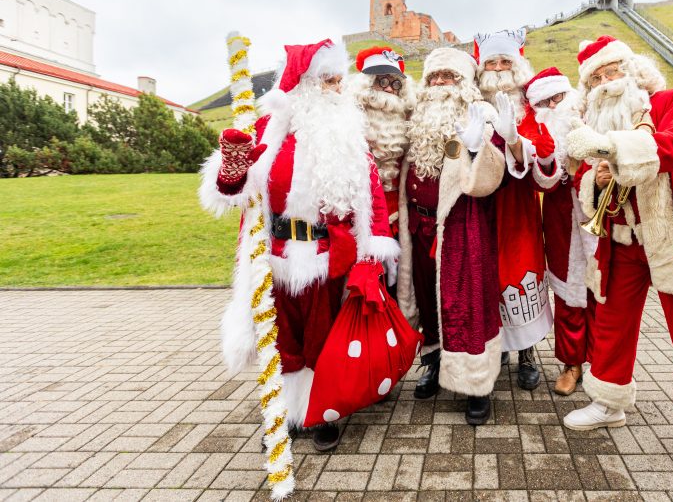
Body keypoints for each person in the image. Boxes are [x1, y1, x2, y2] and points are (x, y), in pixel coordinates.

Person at [199, 40, 399, 451]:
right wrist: (233, 168)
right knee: (283, 339)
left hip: (331, 257)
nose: (336, 89)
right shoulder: (266, 132)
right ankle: (290, 410)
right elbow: (231, 194)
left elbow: (372, 197)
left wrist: (373, 254)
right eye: (327, 80)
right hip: (276, 254)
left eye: (338, 80)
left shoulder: (348, 136)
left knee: (323, 337)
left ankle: (321, 409)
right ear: (304, 84)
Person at [564, 35, 673, 486]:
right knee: (612, 324)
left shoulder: (672, 101)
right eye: (596, 79)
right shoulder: (599, 123)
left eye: (612, 71)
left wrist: (610, 153)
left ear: (634, 69)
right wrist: (596, 176)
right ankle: (608, 402)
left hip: (671, 236)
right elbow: (588, 180)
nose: (606, 83)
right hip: (621, 238)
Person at [395, 47, 506, 424]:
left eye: (449, 76)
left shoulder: (480, 116)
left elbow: (495, 175)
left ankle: (477, 384)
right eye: (434, 77)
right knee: (427, 301)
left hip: (463, 225)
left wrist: (477, 146)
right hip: (421, 227)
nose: (440, 83)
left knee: (467, 303)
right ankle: (432, 362)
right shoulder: (417, 119)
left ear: (463, 83)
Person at [473, 28, 554, 391]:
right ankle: (499, 347)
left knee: (520, 272)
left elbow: (542, 154)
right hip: (480, 206)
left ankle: (527, 352)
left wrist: (516, 142)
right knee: (487, 275)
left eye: (506, 60)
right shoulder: (472, 101)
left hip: (518, 207)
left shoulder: (529, 107)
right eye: (492, 61)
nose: (500, 67)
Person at [520, 67, 594, 396]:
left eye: (558, 97)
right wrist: (548, 159)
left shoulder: (592, 114)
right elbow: (541, 183)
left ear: (569, 94)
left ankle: (607, 364)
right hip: (561, 214)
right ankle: (572, 361)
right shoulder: (539, 134)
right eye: (545, 103)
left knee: (608, 290)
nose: (554, 106)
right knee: (568, 291)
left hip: (601, 210)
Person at [349, 46, 416, 297]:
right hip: (356, 223)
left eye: (395, 84)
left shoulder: (407, 122)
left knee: (396, 288)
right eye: (381, 81)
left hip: (398, 222)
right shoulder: (349, 122)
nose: (389, 89)